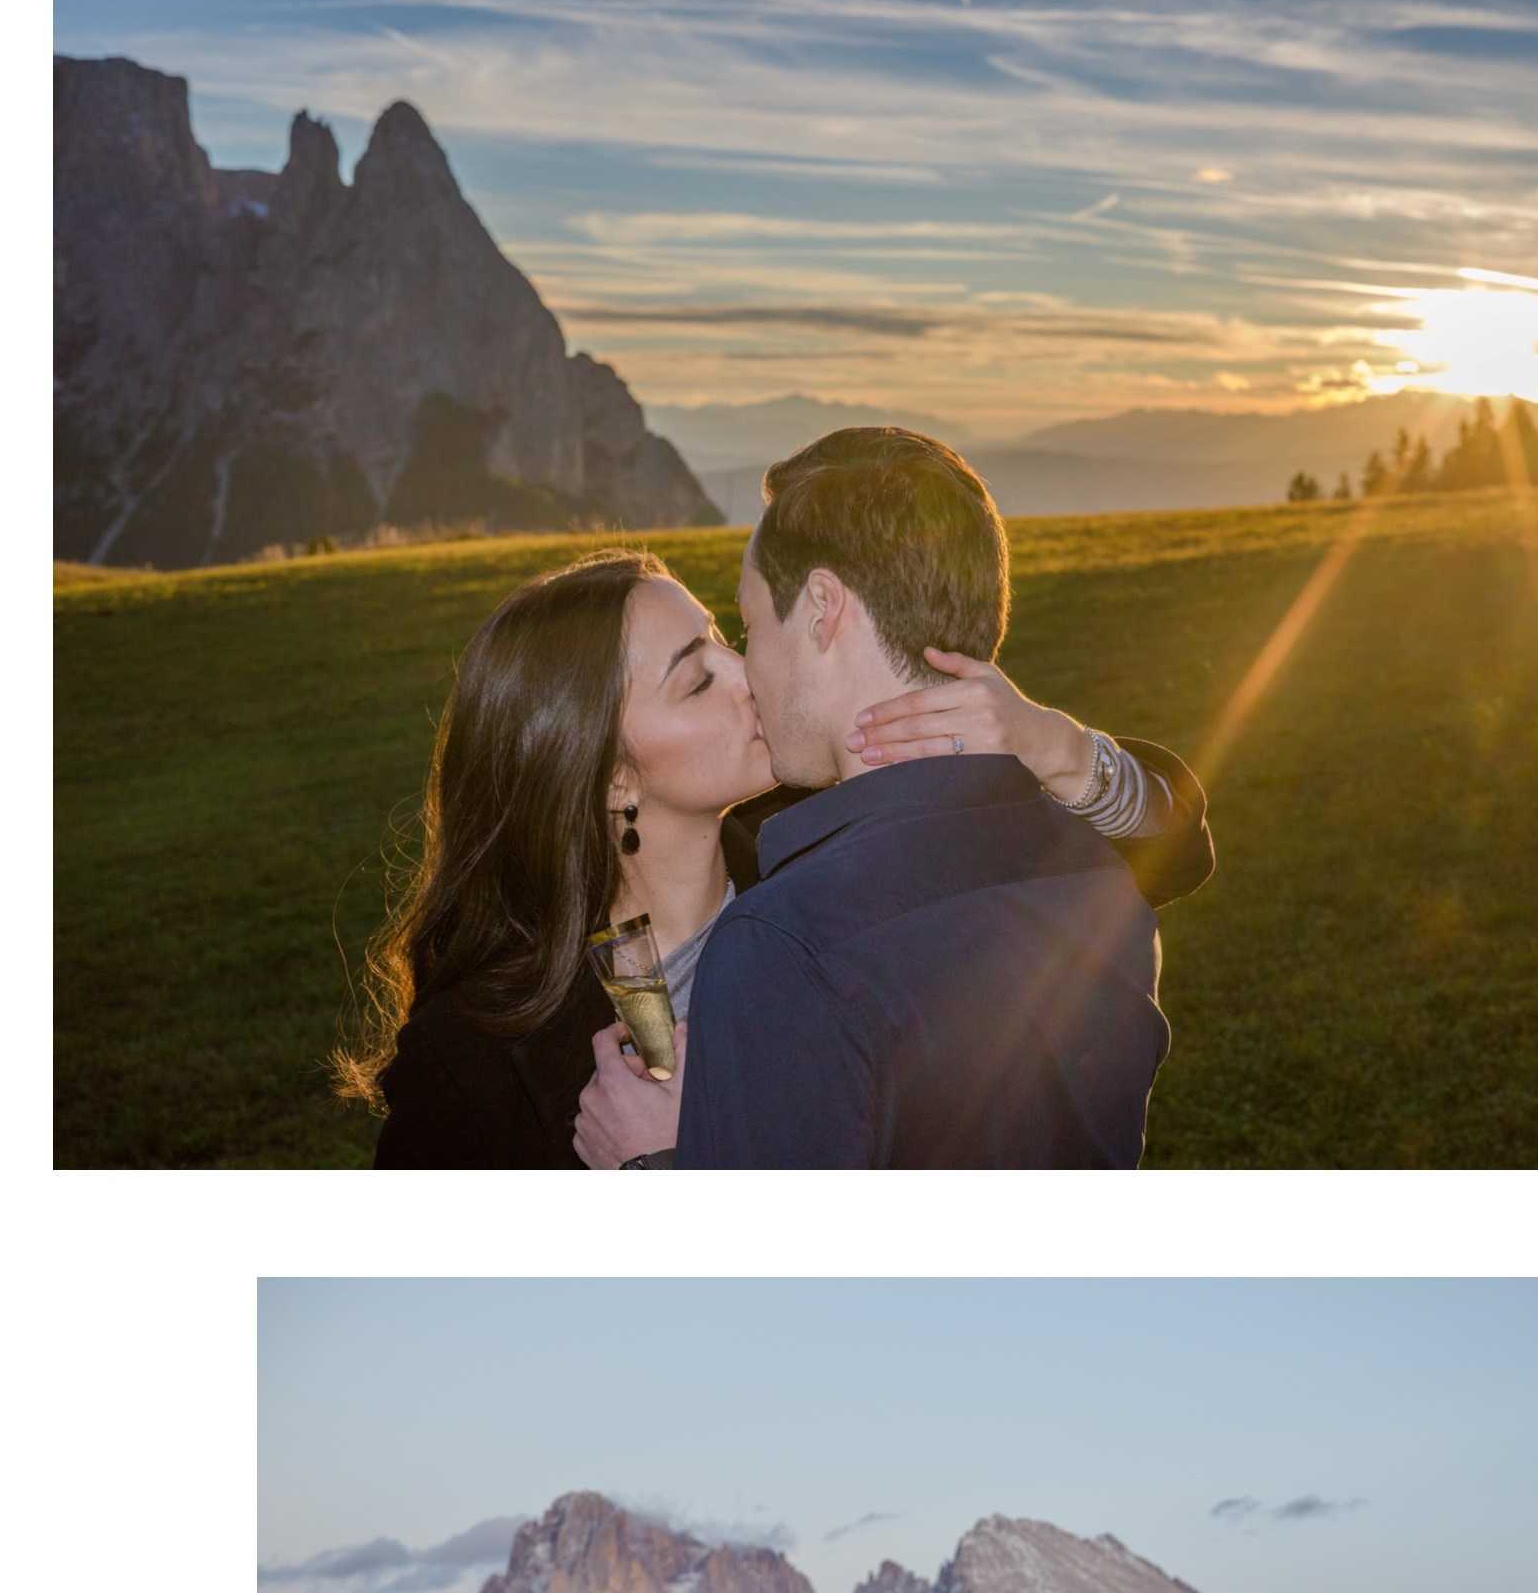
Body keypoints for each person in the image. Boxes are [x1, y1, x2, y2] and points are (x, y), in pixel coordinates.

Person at [337, 541, 1210, 1167]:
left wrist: (1053, 746)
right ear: (610, 780)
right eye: (696, 676)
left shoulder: (841, 836)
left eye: (723, 634)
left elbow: (1168, 856)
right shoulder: (472, 1058)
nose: (747, 669)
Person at [606, 426, 1190, 1169]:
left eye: (750, 625)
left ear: (823, 607)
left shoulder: (782, 942)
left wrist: (653, 1163)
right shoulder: (1096, 865)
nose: (747, 669)